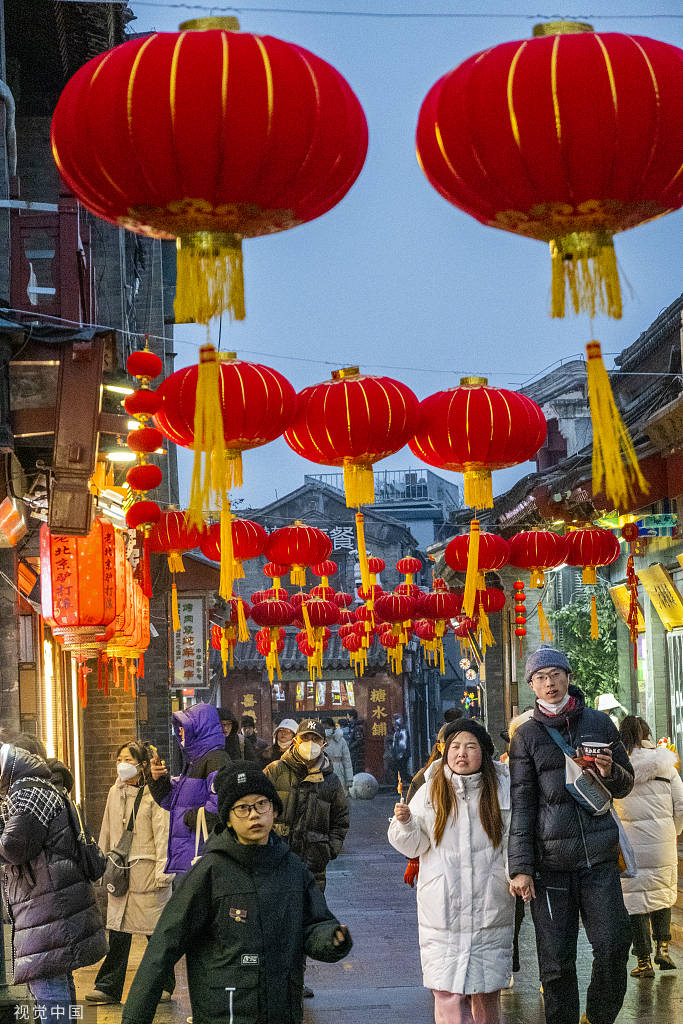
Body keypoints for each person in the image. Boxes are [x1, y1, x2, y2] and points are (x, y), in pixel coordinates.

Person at [120, 762, 352, 1024]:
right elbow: (163, 947)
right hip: (225, 1010)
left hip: (281, 1008)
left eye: (261, 804)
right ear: (227, 818)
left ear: (274, 810)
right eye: (242, 808)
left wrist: (332, 939)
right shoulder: (210, 872)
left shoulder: (291, 867)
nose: (254, 815)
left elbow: (314, 924)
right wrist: (134, 1018)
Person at [508, 647, 634, 1024]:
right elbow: (522, 805)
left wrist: (610, 772)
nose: (549, 683)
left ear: (567, 676)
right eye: (540, 677)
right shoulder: (526, 736)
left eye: (555, 674)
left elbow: (626, 785)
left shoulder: (598, 722)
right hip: (550, 867)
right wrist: (521, 867)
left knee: (613, 946)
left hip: (599, 858)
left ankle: (597, 1017)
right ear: (532, 684)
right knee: (556, 963)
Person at [388, 720, 514, 1024]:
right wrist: (405, 823)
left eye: (470, 747)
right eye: (455, 747)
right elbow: (413, 846)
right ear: (445, 752)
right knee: (446, 991)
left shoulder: (503, 787)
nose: (462, 754)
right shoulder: (430, 787)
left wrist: (515, 875)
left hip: (490, 903)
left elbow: (515, 841)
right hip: (442, 906)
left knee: (486, 990)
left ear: (484, 752)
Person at [0, 742, 107, 1015]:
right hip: (48, 900)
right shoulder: (33, 788)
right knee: (55, 976)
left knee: (47, 979)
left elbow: (14, 847)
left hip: (47, 903)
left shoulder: (30, 794)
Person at [264, 718, 350, 998]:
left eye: (316, 740)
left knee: (302, 924)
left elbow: (341, 820)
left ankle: (296, 982)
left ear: (323, 744)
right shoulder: (275, 771)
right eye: (305, 739)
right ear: (295, 741)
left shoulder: (331, 782)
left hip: (313, 864)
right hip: (276, 861)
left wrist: (329, 848)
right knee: (273, 922)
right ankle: (271, 980)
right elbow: (256, 805)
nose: (310, 745)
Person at [86, 741, 175, 1006]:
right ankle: (108, 987)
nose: (122, 764)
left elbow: (163, 832)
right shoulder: (115, 791)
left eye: (128, 759)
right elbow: (107, 829)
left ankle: (164, 985)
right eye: (119, 759)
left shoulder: (155, 793)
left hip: (147, 874)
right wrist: (101, 863)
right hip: (121, 873)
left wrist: (164, 870)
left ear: (143, 764)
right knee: (118, 932)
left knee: (155, 935)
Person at [614, 715, 683, 977]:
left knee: (635, 902)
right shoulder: (667, 767)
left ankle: (643, 963)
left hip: (629, 847)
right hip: (663, 842)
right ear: (648, 735)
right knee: (662, 893)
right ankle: (663, 948)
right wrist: (672, 831)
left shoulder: (618, 768)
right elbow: (681, 806)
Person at [148, 702, 228, 875]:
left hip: (203, 854)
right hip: (190, 854)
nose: (181, 732)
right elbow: (171, 801)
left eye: (184, 727)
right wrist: (158, 780)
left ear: (200, 728)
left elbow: (220, 806)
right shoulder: (195, 760)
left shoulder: (216, 759)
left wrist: (189, 817)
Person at [321, 717, 354, 792]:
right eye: (324, 729)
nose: (326, 730)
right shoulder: (319, 740)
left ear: (333, 727)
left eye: (328, 728)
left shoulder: (341, 740)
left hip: (338, 771)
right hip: (323, 770)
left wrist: (349, 779)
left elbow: (347, 761)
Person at [385, 713, 410, 785]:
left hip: (401, 756)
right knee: (398, 772)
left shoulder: (402, 732)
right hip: (398, 755)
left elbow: (403, 745)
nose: (393, 724)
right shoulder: (397, 732)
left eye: (394, 723)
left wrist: (399, 755)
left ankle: (415, 784)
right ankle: (397, 788)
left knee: (402, 773)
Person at [345, 709, 365, 774]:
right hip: (353, 751)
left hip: (356, 752)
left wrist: (350, 747)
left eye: (348, 716)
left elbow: (359, 739)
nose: (347, 718)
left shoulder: (356, 727)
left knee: (354, 768)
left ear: (352, 716)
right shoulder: (352, 725)